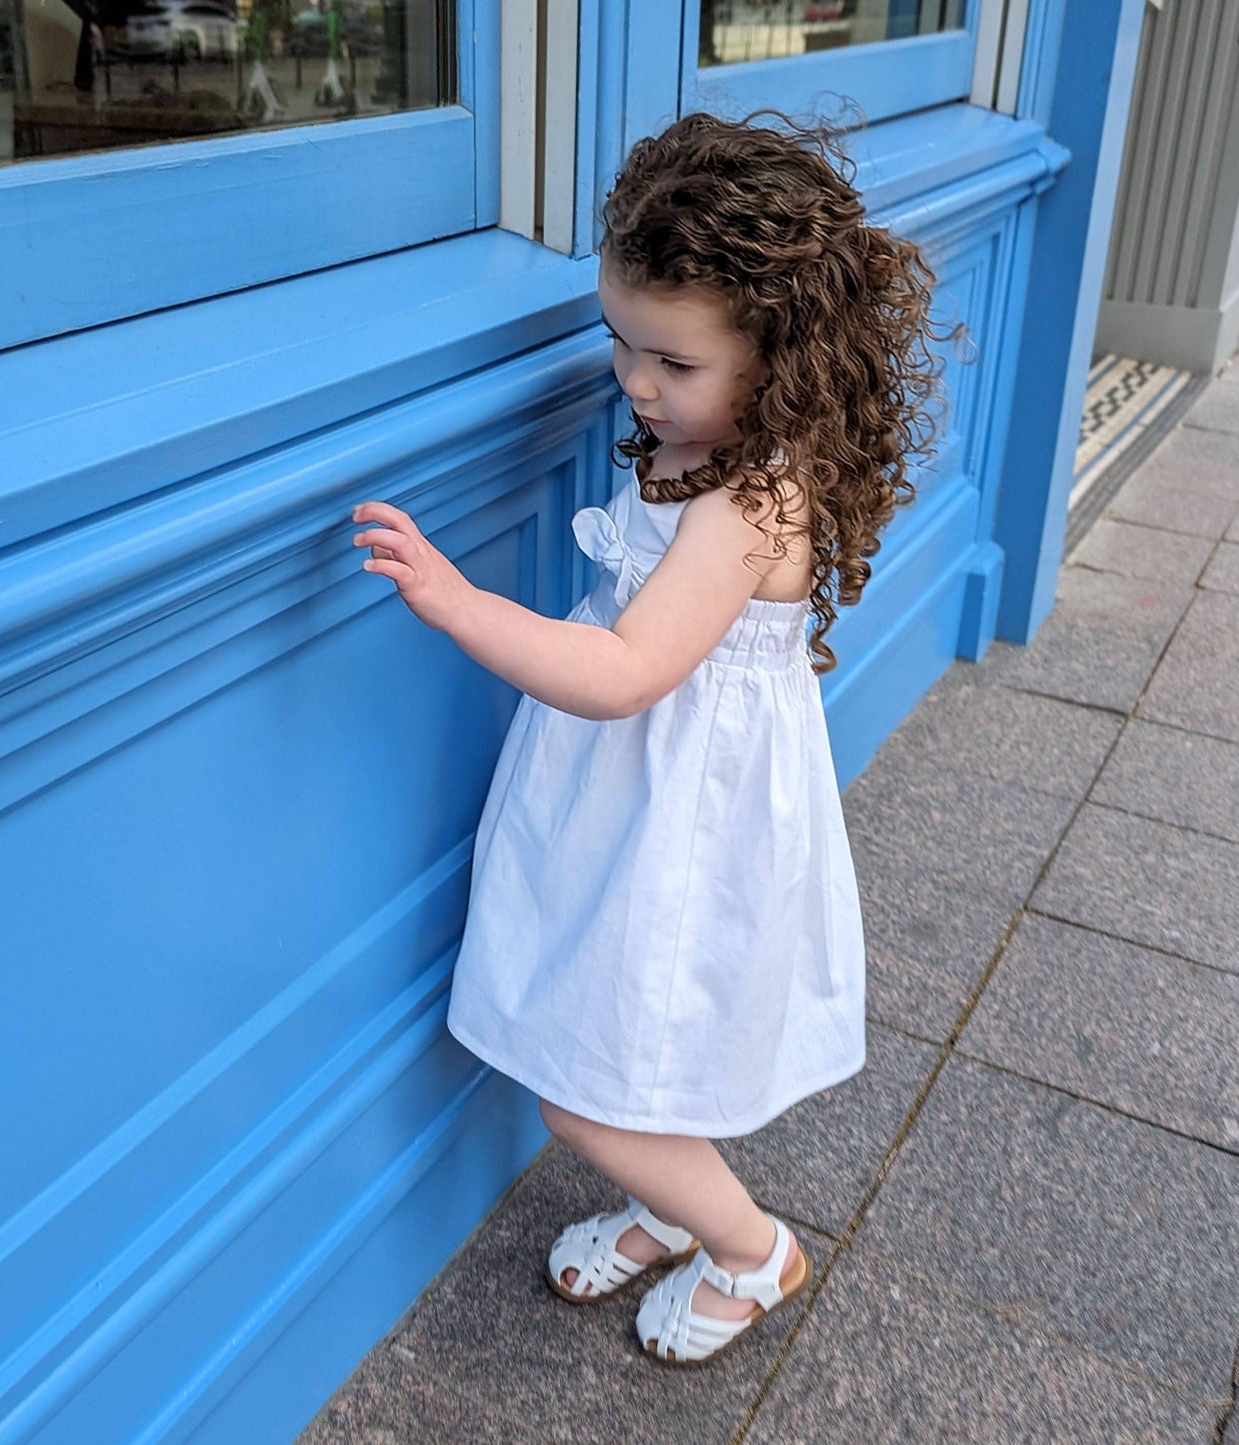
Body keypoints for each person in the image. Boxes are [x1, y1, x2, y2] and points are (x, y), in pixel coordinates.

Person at [351, 110, 942, 1365]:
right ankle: (665, 1210)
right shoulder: (702, 441)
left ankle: (747, 1246)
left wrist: (458, 603)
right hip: (636, 792)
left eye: (669, 361)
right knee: (619, 1041)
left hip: (678, 808)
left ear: (777, 356)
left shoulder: (749, 497)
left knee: (588, 1075)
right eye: (619, 339)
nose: (632, 382)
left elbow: (625, 671)